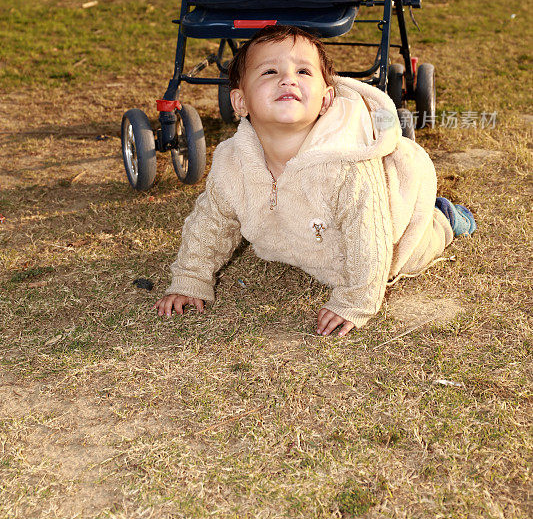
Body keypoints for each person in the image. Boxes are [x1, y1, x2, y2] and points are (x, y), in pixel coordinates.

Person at [154, 26, 476, 337]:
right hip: (310, 240)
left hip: (390, 227)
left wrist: (355, 301)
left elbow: (369, 236)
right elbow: (211, 222)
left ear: (325, 100)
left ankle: (445, 217)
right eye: (269, 72)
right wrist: (189, 278)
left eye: (304, 72)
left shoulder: (345, 165)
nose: (287, 80)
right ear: (240, 102)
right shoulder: (232, 163)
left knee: (414, 250)